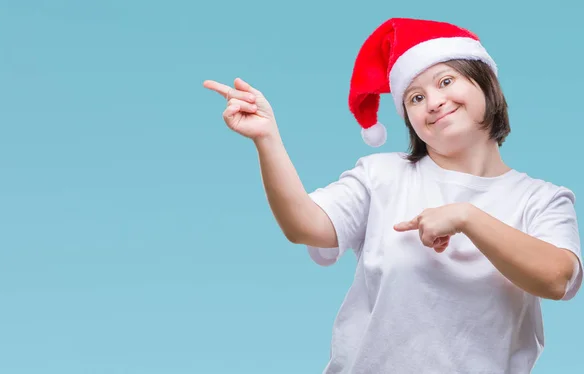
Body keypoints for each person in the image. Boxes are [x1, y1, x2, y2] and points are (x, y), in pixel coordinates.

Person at [203, 17, 582, 373]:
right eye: (415, 98)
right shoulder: (382, 176)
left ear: (486, 84)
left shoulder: (541, 200)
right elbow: (304, 226)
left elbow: (557, 279)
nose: (433, 102)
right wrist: (267, 139)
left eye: (446, 82)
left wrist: (467, 217)